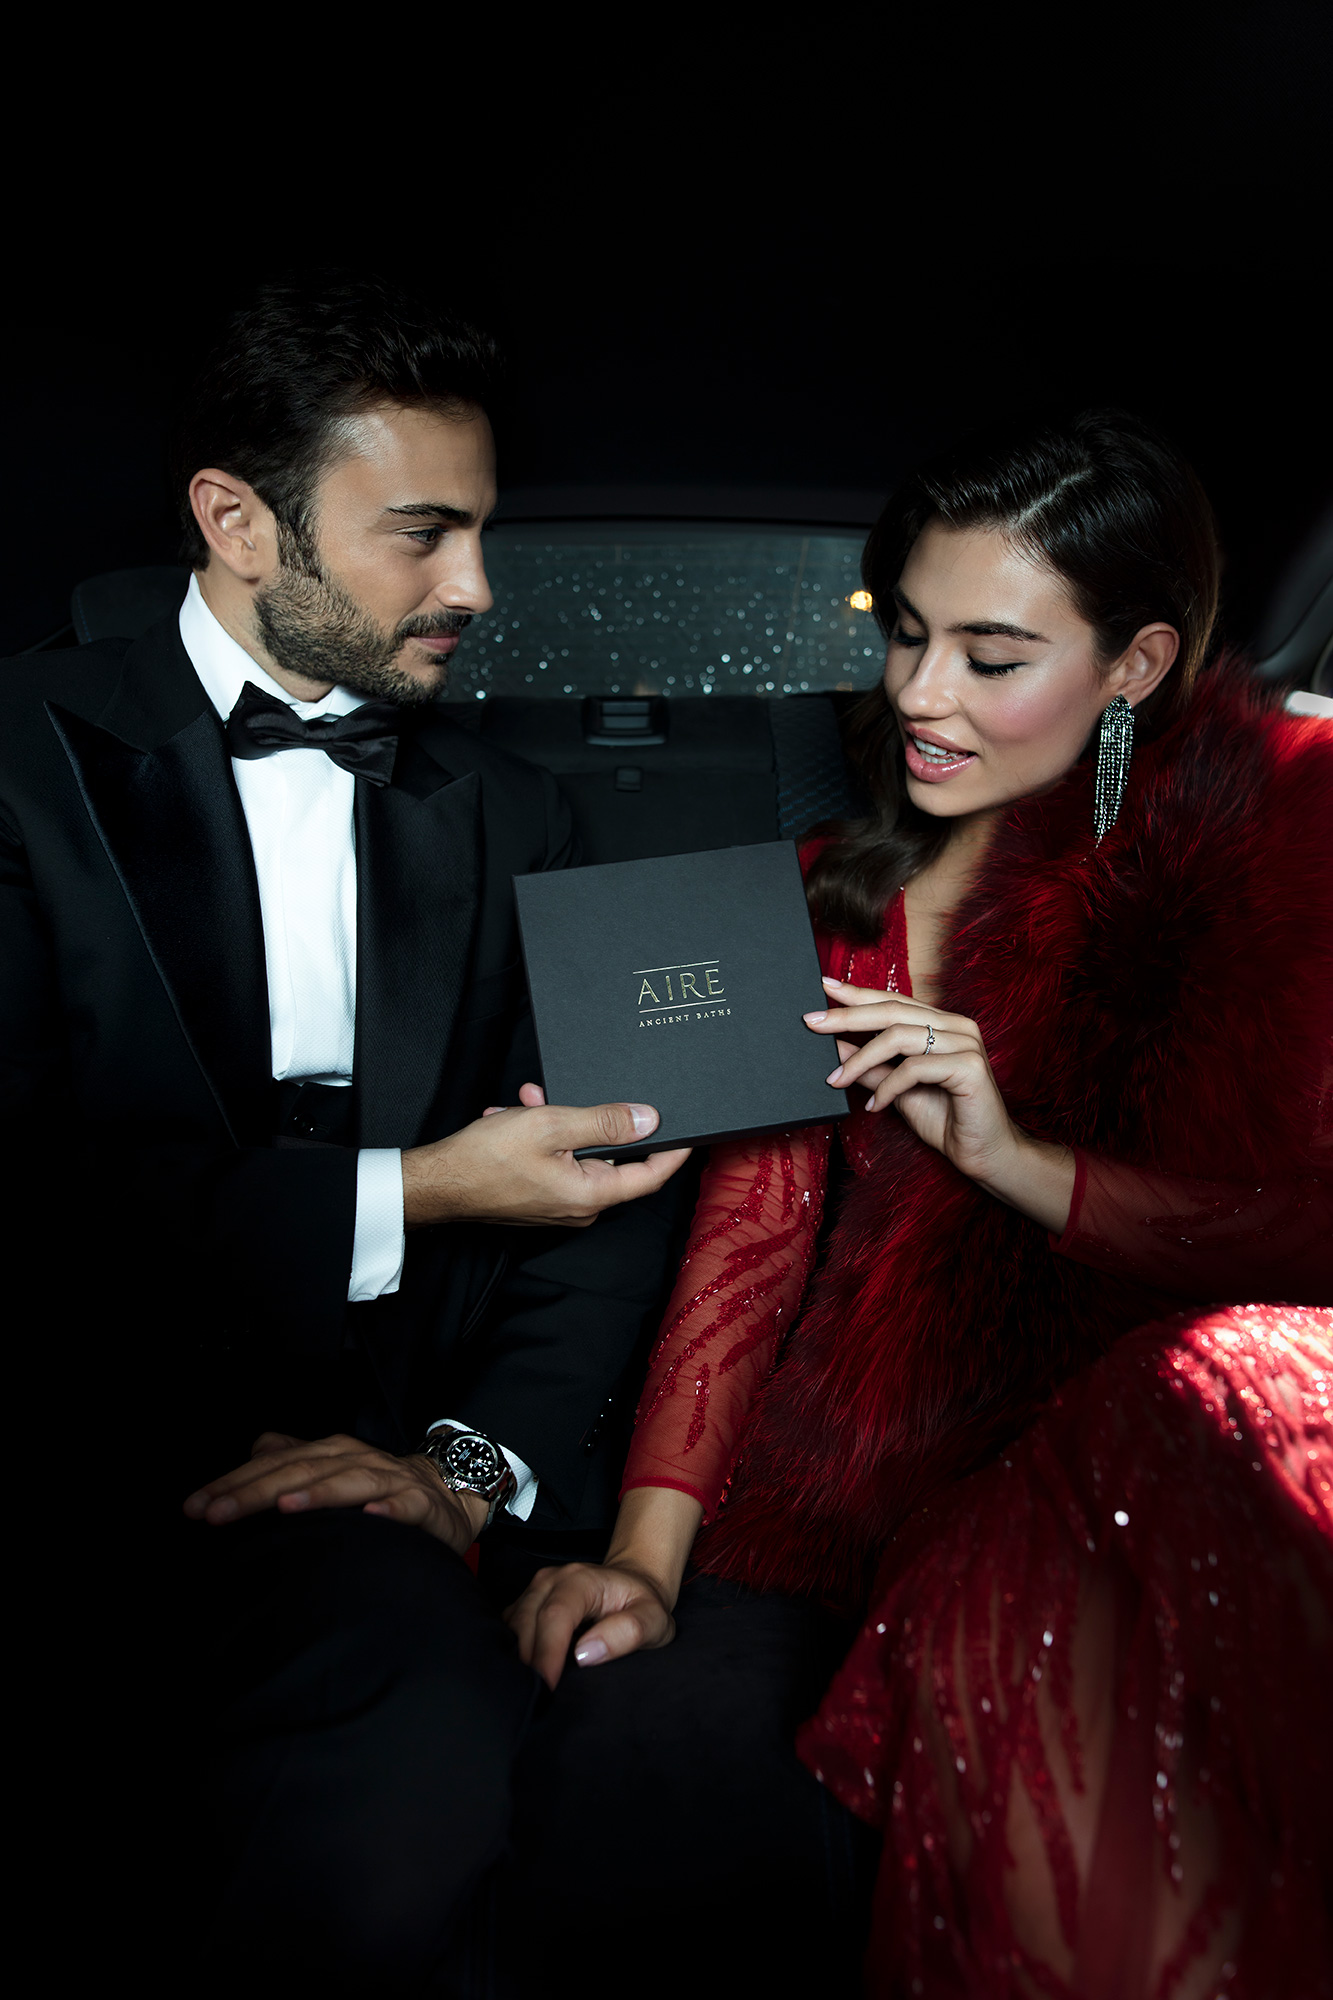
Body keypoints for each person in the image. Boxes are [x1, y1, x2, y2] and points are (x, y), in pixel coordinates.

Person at [505, 411, 1333, 1997]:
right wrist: (647, 1566)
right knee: (635, 1784)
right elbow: (748, 1252)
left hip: (1134, 1500)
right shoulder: (829, 886)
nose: (914, 694)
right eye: (901, 634)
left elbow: (1304, 1240)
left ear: (1136, 663)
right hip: (832, 1504)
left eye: (988, 655)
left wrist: (1008, 1158)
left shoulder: (1275, 862)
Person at [0, 275, 693, 1988]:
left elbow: (616, 1209)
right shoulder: (15, 760)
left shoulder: (529, 816)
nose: (474, 588)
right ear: (236, 522)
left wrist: (461, 1476)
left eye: (482, 532)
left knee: (414, 1801)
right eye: (422, 534)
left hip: (364, 1498)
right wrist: (422, 1190)